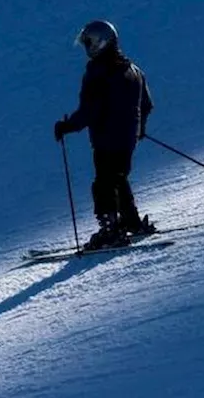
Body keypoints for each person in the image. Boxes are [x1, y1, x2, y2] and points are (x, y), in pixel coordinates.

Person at [54, 20, 157, 250]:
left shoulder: (99, 73)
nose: (86, 48)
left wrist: (66, 126)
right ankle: (131, 222)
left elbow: (90, 110)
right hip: (127, 140)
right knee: (118, 178)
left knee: (104, 184)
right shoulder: (132, 69)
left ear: (100, 42)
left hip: (106, 139)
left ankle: (111, 230)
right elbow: (146, 104)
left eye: (88, 42)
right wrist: (139, 128)